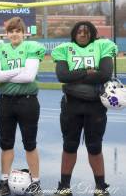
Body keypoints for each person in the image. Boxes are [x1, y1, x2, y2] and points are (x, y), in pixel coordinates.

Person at [51, 21, 118, 196]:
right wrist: (88, 71)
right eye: (79, 31)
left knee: (95, 147)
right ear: (74, 33)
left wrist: (75, 78)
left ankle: (100, 187)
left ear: (92, 34)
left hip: (95, 106)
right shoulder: (65, 48)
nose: (82, 34)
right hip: (71, 105)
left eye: (86, 32)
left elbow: (104, 74)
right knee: (69, 145)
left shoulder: (102, 46)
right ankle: (64, 186)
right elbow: (62, 75)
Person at [0, 17, 46, 196]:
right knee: (6, 144)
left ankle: (36, 182)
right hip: (5, 101)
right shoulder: (0, 50)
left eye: (18, 31)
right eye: (11, 31)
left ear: (23, 33)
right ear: (7, 34)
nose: (14, 34)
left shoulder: (31, 47)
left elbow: (28, 77)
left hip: (27, 101)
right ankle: (4, 181)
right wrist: (17, 71)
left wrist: (4, 75)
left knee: (30, 144)